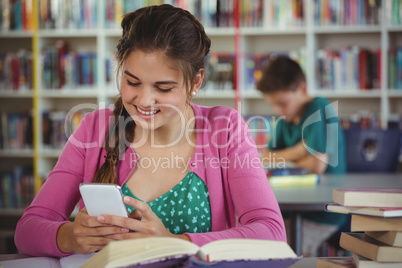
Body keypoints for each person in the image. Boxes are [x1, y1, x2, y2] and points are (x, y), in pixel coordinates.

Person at [15, 5, 286, 257]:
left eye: (163, 88)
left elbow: (272, 234)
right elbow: (26, 230)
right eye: (132, 82)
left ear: (196, 82)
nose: (144, 101)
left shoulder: (225, 128)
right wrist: (70, 236)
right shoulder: (94, 129)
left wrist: (176, 243)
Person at [256, 56, 347, 256]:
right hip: (287, 209)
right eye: (273, 105)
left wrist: (283, 158)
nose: (277, 110)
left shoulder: (318, 108)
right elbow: (265, 157)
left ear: (302, 89)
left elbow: (317, 166)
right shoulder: (284, 121)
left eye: (282, 103)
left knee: (280, 254)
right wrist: (298, 151)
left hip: (321, 213)